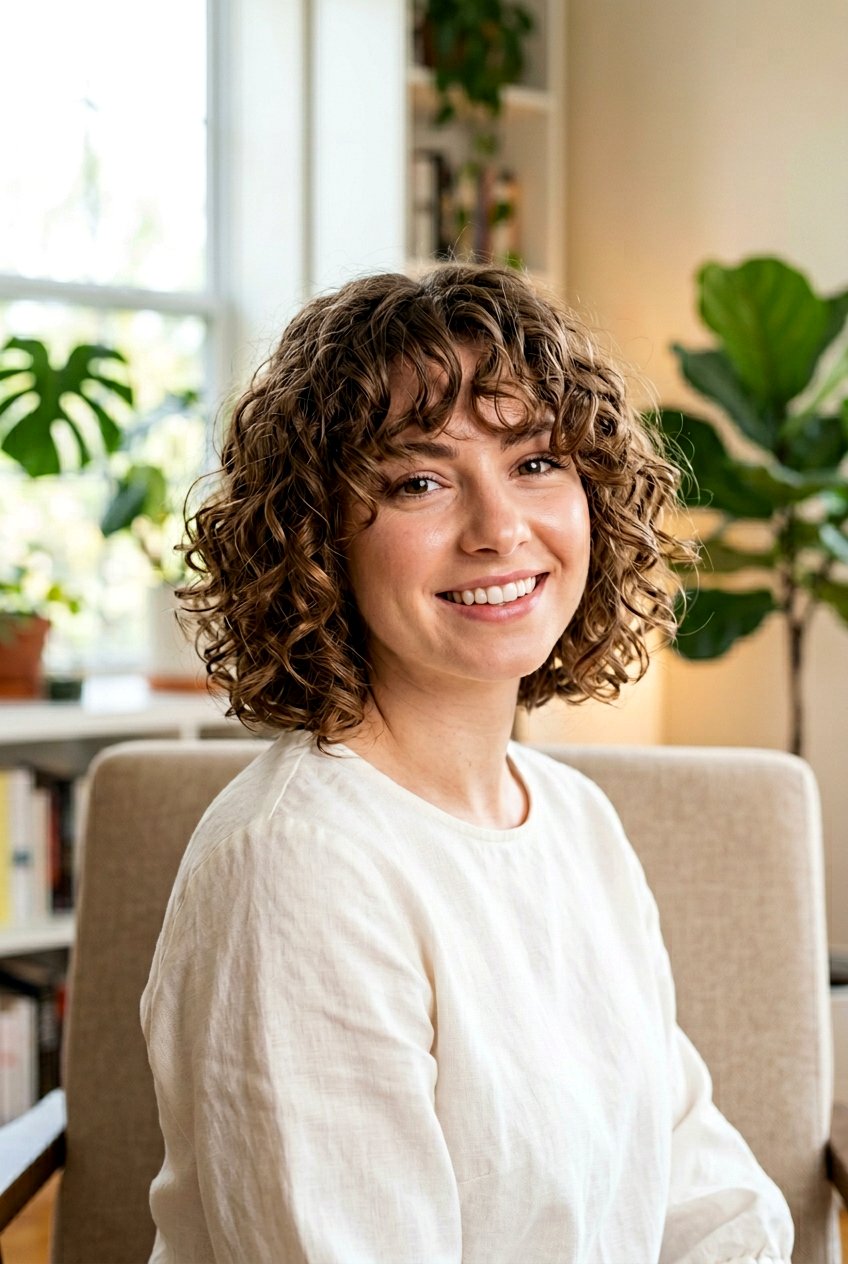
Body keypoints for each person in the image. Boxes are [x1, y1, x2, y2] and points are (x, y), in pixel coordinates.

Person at [141, 264, 794, 1263]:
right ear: (315, 538)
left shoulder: (573, 820)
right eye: (419, 480)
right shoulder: (297, 868)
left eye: (535, 462)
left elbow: (693, 1176)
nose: (499, 529)